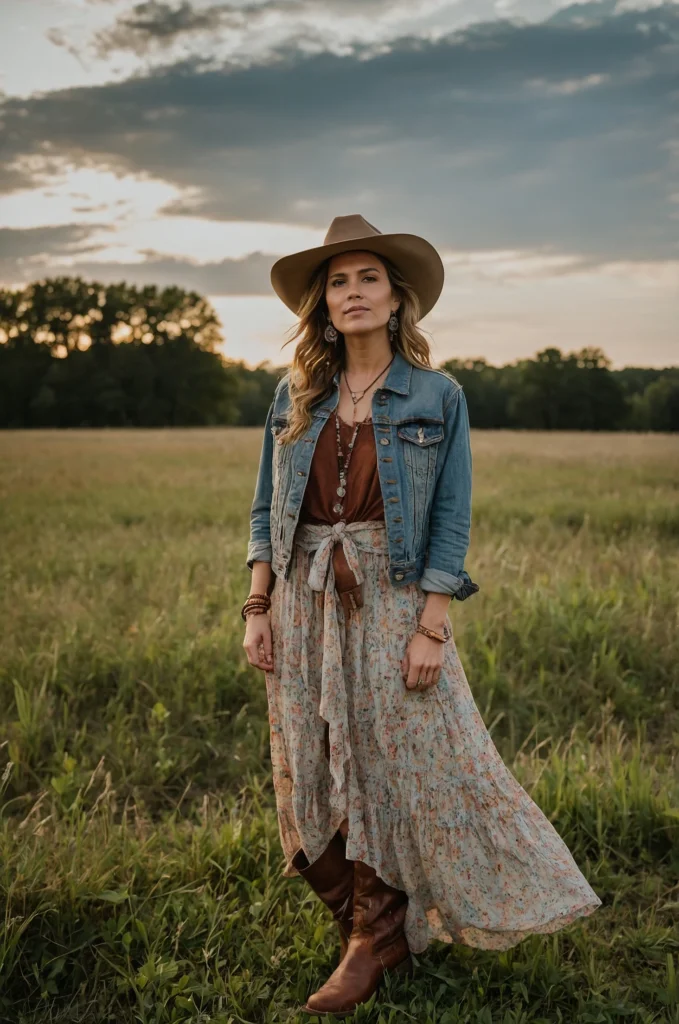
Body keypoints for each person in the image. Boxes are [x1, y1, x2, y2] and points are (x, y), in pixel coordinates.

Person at [242, 214, 601, 1017]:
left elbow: (450, 516)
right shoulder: (294, 395)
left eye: (368, 278)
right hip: (302, 598)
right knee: (310, 763)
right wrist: (257, 602)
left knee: (402, 760)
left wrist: (431, 624)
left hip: (392, 593)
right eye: (338, 281)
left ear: (398, 300)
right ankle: (371, 925)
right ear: (323, 307)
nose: (353, 292)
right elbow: (265, 509)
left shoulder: (438, 396)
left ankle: (373, 939)